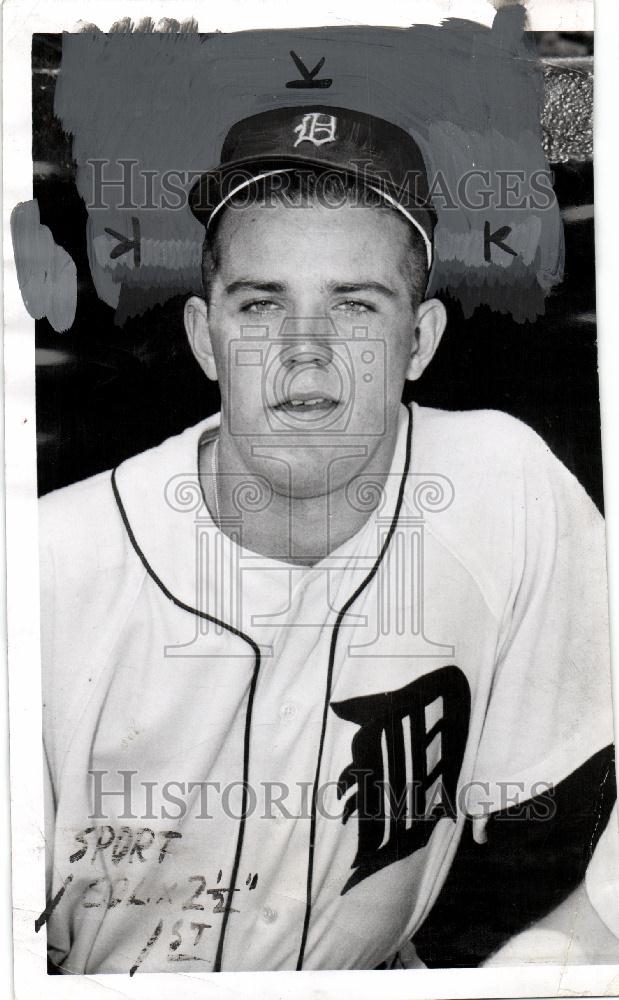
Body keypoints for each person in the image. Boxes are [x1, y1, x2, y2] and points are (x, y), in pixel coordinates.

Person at [40, 105, 617, 974]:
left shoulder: (503, 485)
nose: (304, 350)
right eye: (262, 303)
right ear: (205, 337)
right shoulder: (48, 566)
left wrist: (565, 953)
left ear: (418, 340)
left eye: (353, 305)